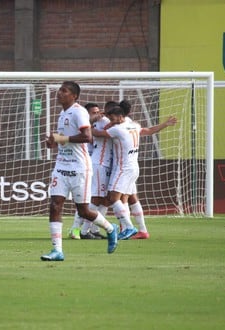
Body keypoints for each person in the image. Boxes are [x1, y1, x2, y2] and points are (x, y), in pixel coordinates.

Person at [41, 81, 119, 261]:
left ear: (74, 96)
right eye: (59, 90)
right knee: (55, 205)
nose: (59, 93)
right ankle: (57, 251)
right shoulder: (62, 113)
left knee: (83, 211)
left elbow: (87, 136)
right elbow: (64, 140)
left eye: (64, 91)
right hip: (61, 165)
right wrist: (53, 142)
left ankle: (109, 228)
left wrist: (61, 138)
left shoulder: (79, 111)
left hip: (79, 167)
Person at [94, 100, 177, 240]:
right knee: (132, 198)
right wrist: (164, 124)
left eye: (113, 119)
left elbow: (97, 133)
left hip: (123, 169)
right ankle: (142, 230)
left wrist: (84, 125)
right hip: (133, 168)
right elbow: (149, 131)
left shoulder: (117, 129)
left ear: (120, 117)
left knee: (113, 199)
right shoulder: (134, 125)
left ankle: (128, 227)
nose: (112, 121)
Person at [68, 102, 112, 240]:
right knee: (90, 199)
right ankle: (77, 229)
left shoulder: (101, 121)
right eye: (94, 112)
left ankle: (94, 229)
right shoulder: (84, 124)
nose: (98, 114)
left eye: (99, 112)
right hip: (89, 165)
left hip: (101, 164)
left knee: (104, 200)